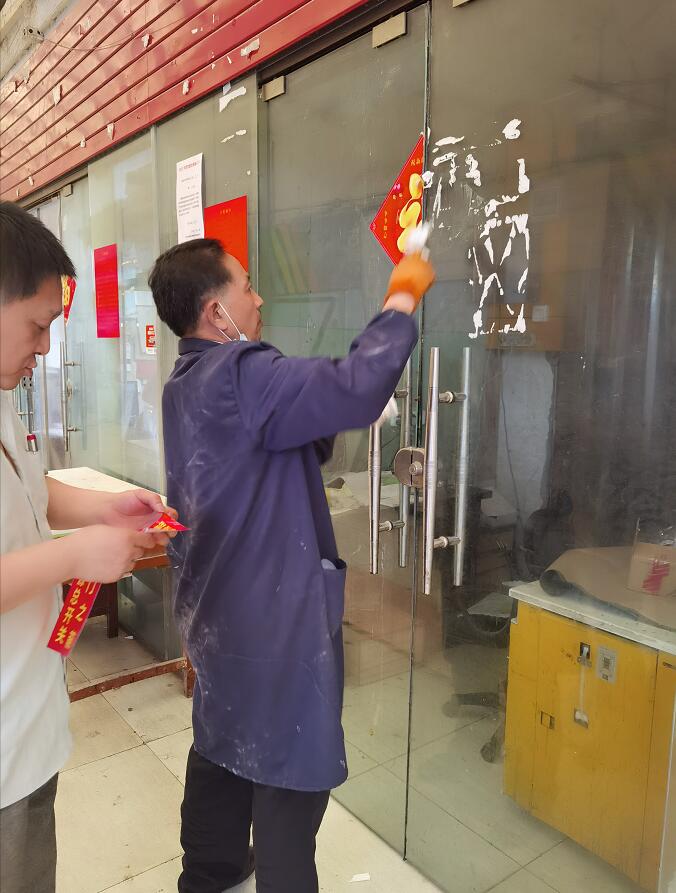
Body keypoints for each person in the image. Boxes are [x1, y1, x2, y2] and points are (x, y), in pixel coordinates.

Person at [149, 237, 434, 893]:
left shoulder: (185, 384)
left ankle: (211, 872)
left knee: (221, 743)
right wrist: (402, 296)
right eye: (247, 285)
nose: (260, 298)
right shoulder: (240, 371)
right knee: (287, 775)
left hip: (214, 613)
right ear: (217, 311)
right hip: (272, 623)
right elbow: (356, 384)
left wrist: (333, 409)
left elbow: (268, 442)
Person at [0, 201, 176, 893]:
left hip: (27, 717)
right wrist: (75, 557)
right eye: (36, 325)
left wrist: (104, 507)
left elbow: (28, 489)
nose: (46, 348)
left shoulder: (0, 391)